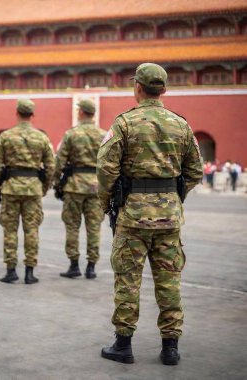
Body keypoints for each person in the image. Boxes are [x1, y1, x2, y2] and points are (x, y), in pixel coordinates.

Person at [97, 63, 203, 365]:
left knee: (128, 279)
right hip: (169, 218)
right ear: (164, 90)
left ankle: (123, 344)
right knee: (169, 281)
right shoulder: (181, 125)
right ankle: (170, 347)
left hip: (132, 217)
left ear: (138, 88)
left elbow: (105, 169)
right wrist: (172, 196)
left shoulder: (124, 123)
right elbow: (195, 170)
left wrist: (108, 203)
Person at [0, 99, 55, 284]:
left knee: (10, 230)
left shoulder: (6, 136)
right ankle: (29, 272)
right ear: (32, 115)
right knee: (32, 230)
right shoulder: (41, 137)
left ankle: (11, 271)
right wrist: (44, 186)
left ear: (17, 113)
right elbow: (51, 165)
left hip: (10, 188)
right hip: (33, 189)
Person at [54, 99, 107, 279]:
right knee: (94, 228)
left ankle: (74, 265)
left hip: (74, 186)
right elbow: (110, 164)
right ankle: (91, 267)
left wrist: (56, 184)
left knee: (72, 227)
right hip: (96, 187)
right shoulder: (104, 135)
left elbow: (59, 162)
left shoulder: (72, 134)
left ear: (82, 112)